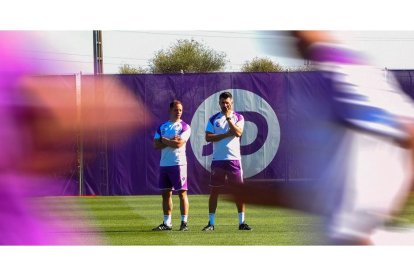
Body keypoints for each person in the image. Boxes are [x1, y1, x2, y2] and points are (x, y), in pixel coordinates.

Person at [227, 31, 414, 244]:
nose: (288, 34)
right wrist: (265, 195)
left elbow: (408, 130)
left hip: (356, 240)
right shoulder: (333, 76)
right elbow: (324, 195)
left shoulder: (343, 74)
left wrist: (374, 215)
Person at [202, 91, 251, 231]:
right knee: (214, 191)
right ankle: (211, 223)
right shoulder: (213, 119)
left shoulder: (238, 117)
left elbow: (238, 133)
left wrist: (229, 119)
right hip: (218, 160)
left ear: (232, 103)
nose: (225, 105)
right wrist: (224, 135)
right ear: (219, 103)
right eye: (222, 103)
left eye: (227, 103)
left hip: (234, 160)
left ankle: (242, 223)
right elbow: (208, 137)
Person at [152, 100, 191, 231]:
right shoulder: (162, 127)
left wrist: (164, 140)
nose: (179, 112)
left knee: (182, 193)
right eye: (176, 110)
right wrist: (170, 141)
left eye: (180, 110)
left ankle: (184, 223)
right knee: (166, 194)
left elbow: (179, 144)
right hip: (164, 164)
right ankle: (167, 223)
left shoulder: (185, 126)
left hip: (178, 164)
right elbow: (156, 145)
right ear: (170, 110)